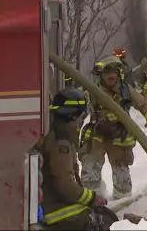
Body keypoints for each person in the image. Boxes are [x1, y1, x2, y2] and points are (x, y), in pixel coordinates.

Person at [34, 88, 117, 230]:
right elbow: (65, 184)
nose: (82, 121)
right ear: (73, 116)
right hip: (55, 210)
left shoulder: (57, 135)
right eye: (82, 117)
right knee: (104, 222)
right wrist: (91, 198)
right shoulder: (61, 143)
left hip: (53, 205)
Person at [80, 56, 147, 200]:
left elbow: (143, 104)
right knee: (90, 169)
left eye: (114, 72)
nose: (111, 75)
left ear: (119, 73)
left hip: (120, 137)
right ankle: (91, 200)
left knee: (122, 174)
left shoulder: (126, 90)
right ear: (101, 75)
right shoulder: (92, 90)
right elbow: (79, 110)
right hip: (98, 135)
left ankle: (122, 201)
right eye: (107, 72)